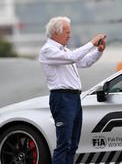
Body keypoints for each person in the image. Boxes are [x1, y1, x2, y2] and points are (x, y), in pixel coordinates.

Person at [39, 16, 106, 164]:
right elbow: (73, 57)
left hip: (74, 99)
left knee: (73, 144)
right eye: (67, 32)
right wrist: (91, 43)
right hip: (62, 98)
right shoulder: (48, 50)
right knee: (64, 144)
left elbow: (84, 62)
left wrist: (98, 52)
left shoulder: (64, 51)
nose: (69, 35)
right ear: (56, 33)